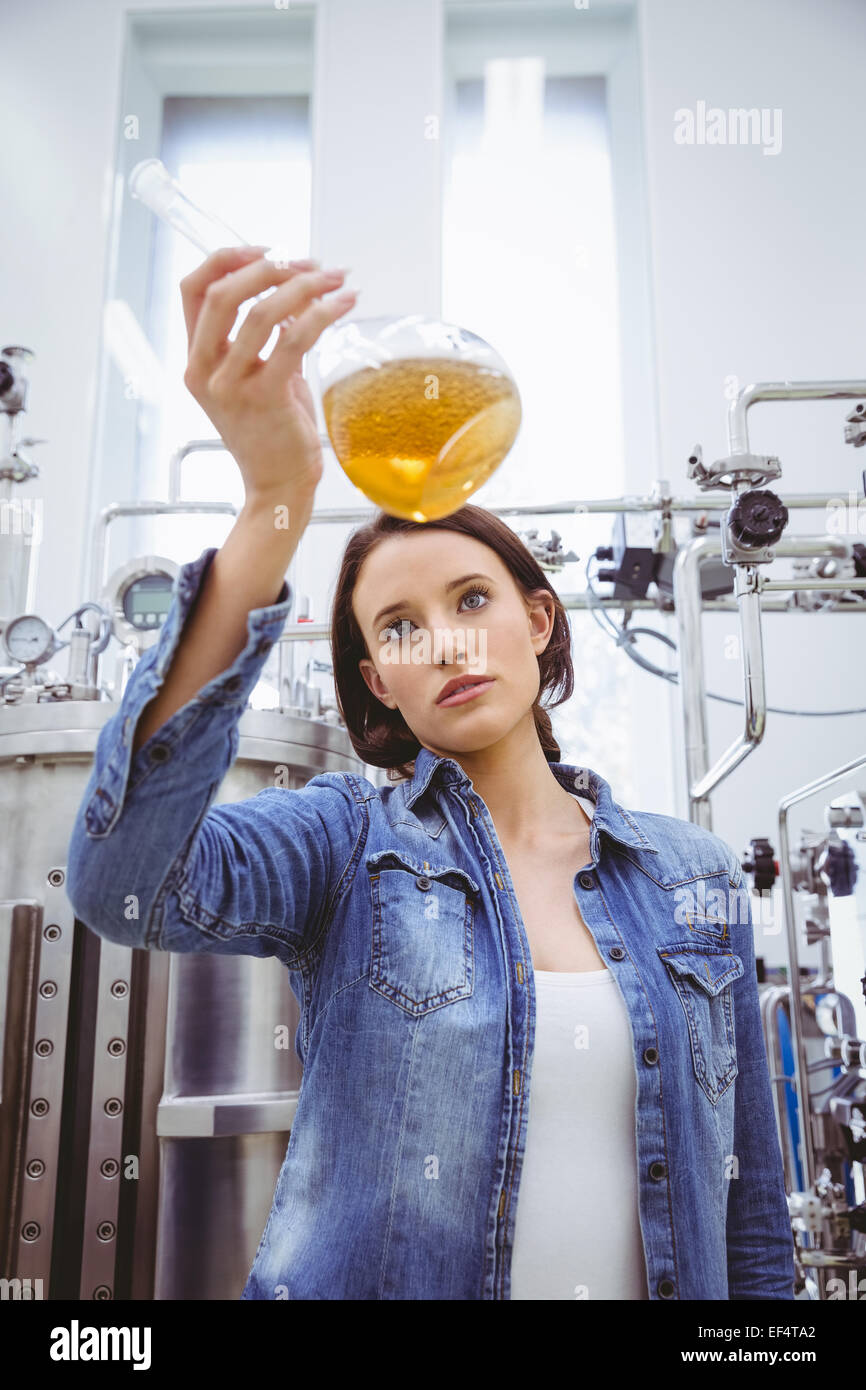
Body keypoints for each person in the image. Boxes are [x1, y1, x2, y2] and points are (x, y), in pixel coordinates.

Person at [66, 247, 796, 1301]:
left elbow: (751, 1217)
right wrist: (275, 496)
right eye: (400, 627)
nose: (445, 645)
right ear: (380, 685)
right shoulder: (343, 847)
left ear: (537, 620)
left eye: (470, 601)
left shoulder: (693, 875)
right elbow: (121, 884)